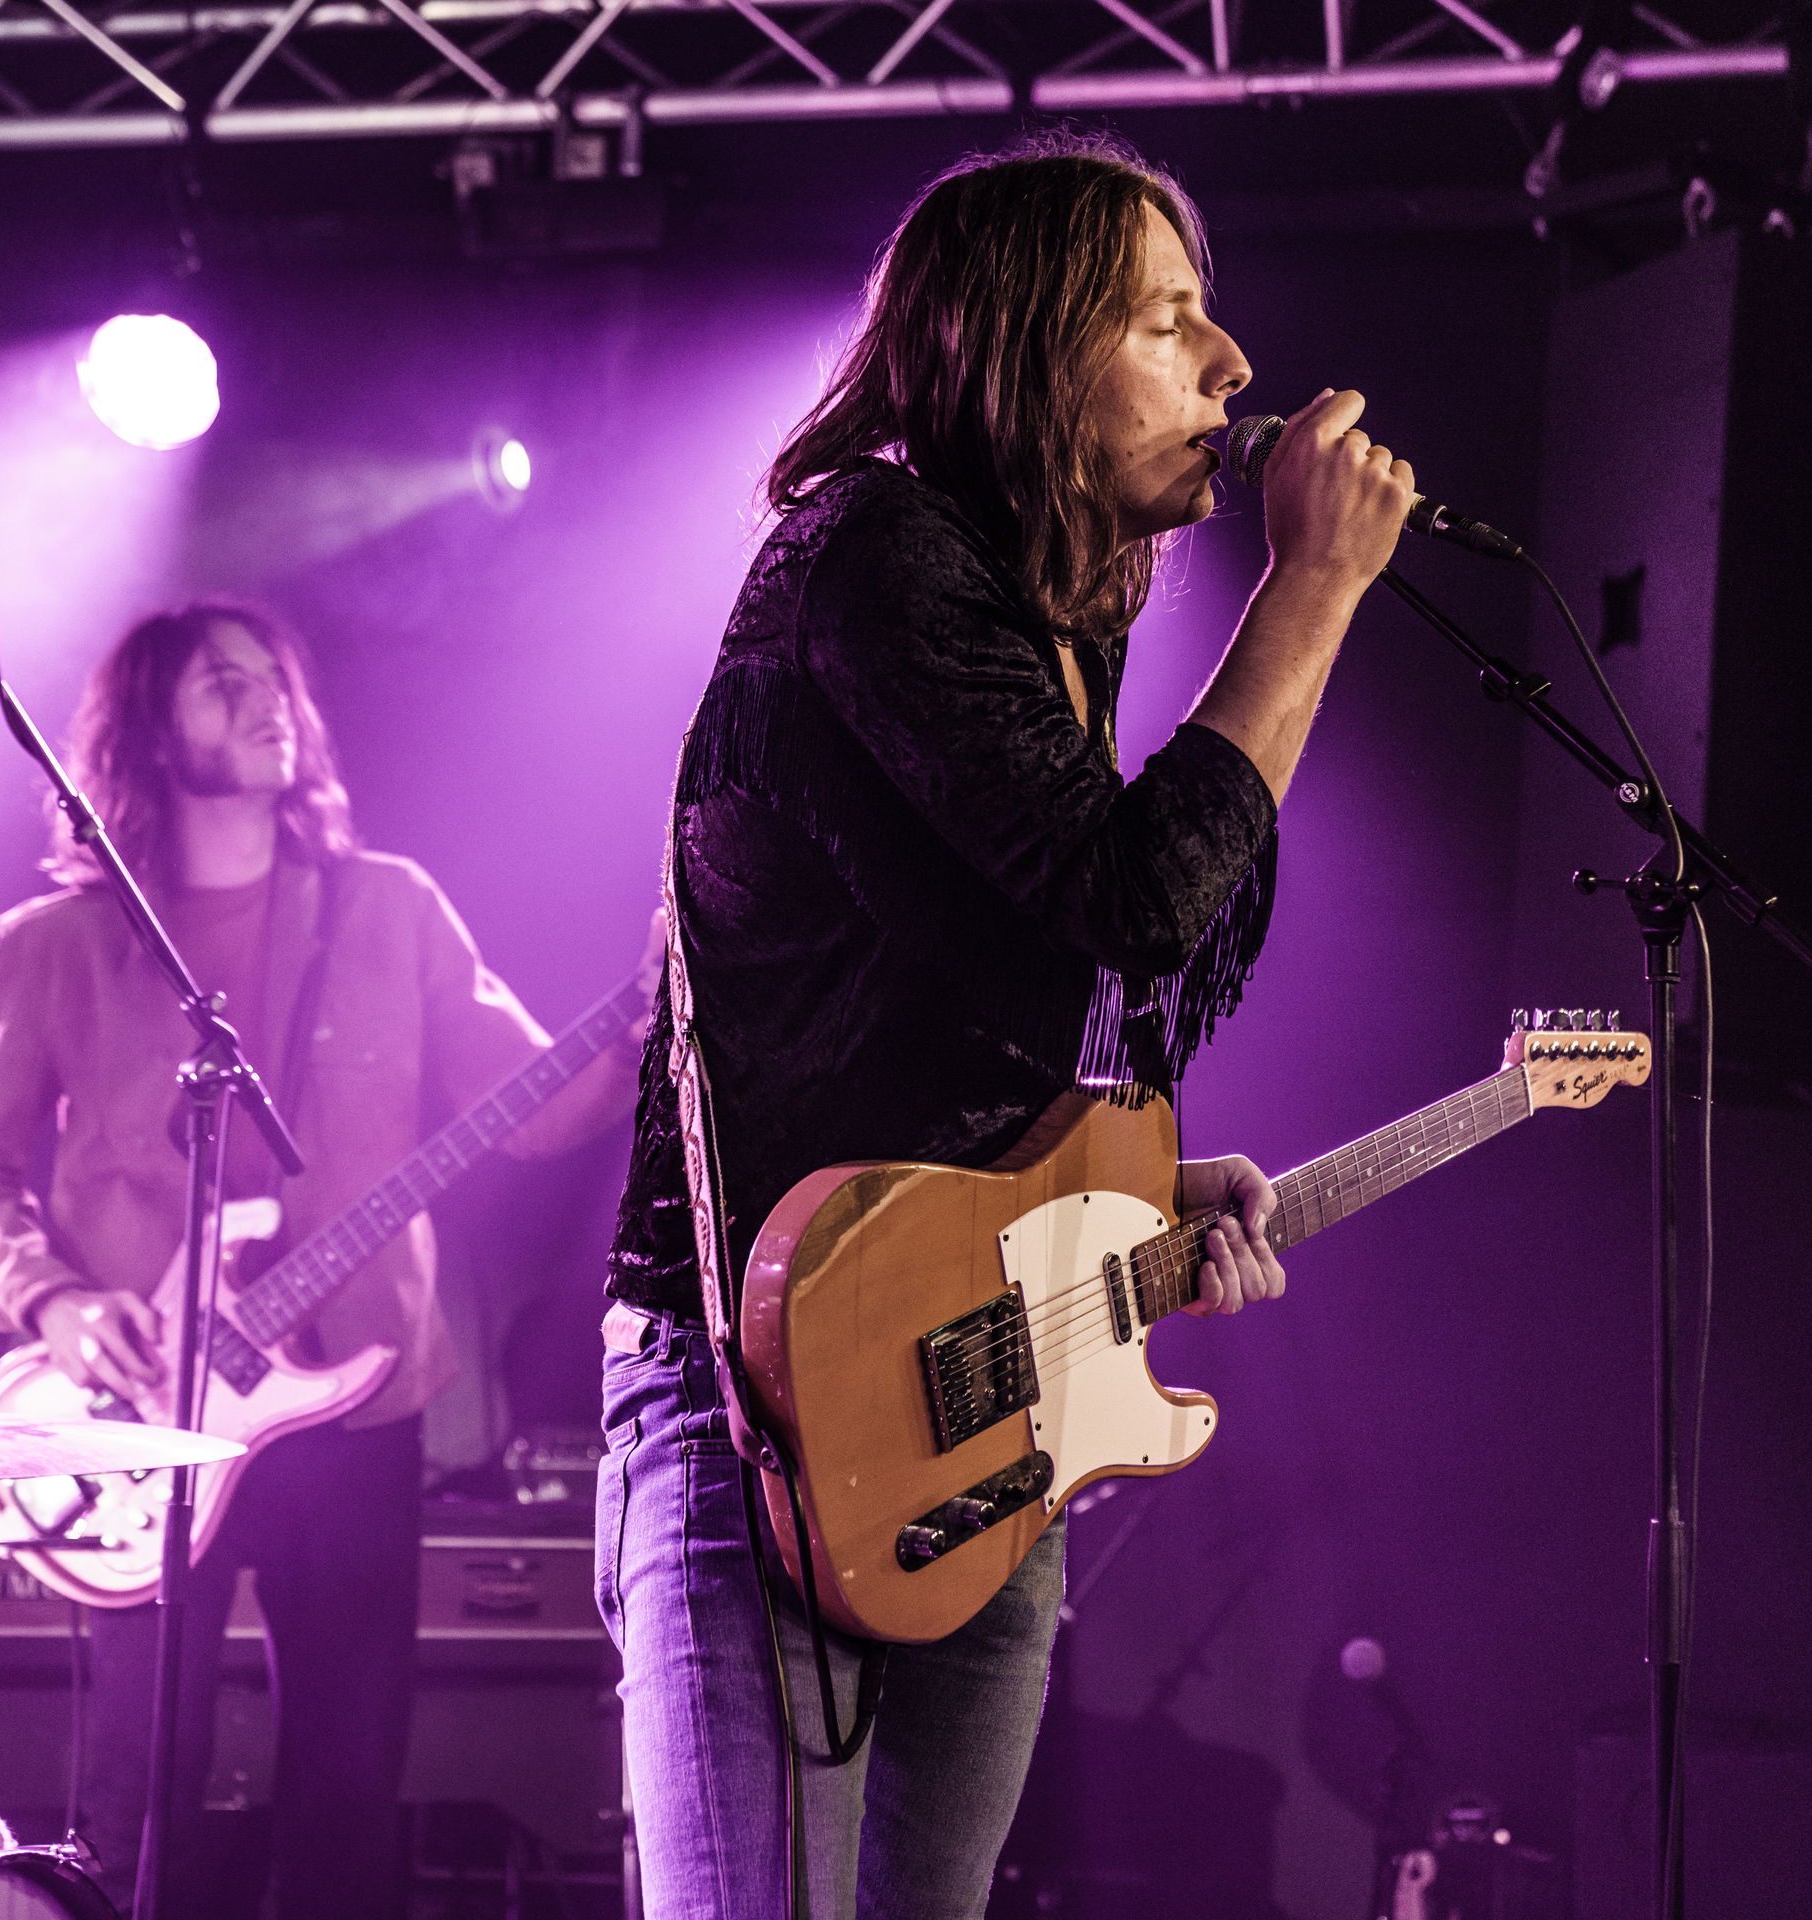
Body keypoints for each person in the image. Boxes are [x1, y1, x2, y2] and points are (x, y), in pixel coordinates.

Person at [596, 134, 1416, 1918]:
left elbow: (1103, 990)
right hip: (763, 1394)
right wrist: (1313, 595)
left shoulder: (1051, 615)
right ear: (1029, 348)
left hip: (968, 1378)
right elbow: (1129, 900)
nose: (1233, 366)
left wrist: (1130, 1183)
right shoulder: (874, 555)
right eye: (1166, 318)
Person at [0, 601, 649, 1920]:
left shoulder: (387, 908)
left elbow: (537, 1106)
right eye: (220, 684)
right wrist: (62, 1305)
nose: (268, 702)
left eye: (274, 682)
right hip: (138, 1427)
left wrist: (643, 1018)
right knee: (140, 1802)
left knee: (350, 1789)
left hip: (356, 1416)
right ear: (145, 728)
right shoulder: (57, 948)